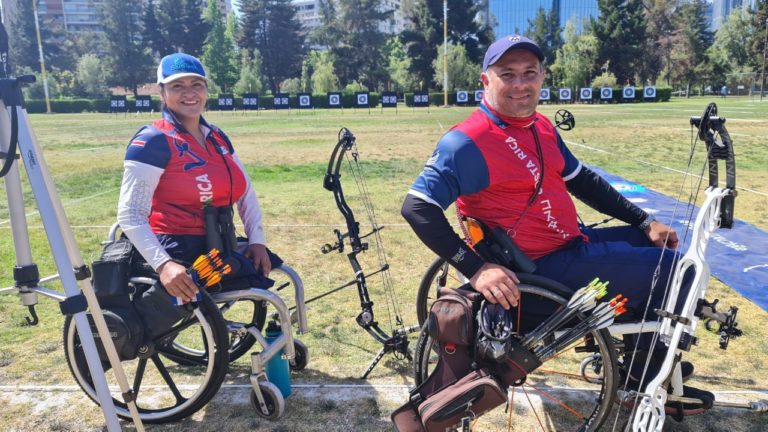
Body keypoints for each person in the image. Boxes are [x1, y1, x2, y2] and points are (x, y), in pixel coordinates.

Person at [401, 35, 712, 414]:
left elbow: (582, 180)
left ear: (542, 76)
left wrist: (644, 221)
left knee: (656, 246)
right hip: (537, 274)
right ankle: (641, 380)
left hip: (566, 247)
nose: (520, 84)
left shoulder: (539, 126)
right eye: (507, 74)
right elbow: (418, 207)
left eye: (529, 73)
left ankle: (636, 354)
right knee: (681, 272)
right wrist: (476, 269)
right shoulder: (467, 142)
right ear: (486, 81)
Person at [117, 52, 273, 308]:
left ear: (206, 90)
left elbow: (245, 191)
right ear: (162, 93)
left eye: (196, 85)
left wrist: (257, 241)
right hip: (176, 248)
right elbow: (130, 213)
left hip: (219, 243)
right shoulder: (152, 141)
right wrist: (164, 264)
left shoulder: (217, 136)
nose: (189, 93)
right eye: (177, 86)